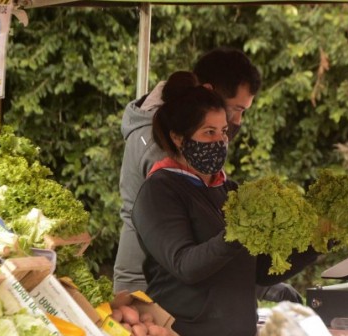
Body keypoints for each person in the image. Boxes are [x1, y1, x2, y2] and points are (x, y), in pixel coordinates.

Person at [132, 72, 319, 336]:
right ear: (177, 137)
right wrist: (236, 233)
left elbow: (261, 271)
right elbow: (185, 265)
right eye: (208, 133)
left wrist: (317, 241)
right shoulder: (160, 191)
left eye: (223, 133)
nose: (219, 142)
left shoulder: (226, 190)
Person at [115, 47, 303, 304]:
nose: (238, 121)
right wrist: (261, 285)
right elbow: (195, 248)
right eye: (236, 109)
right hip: (149, 290)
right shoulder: (162, 146)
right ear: (208, 91)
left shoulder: (190, 141)